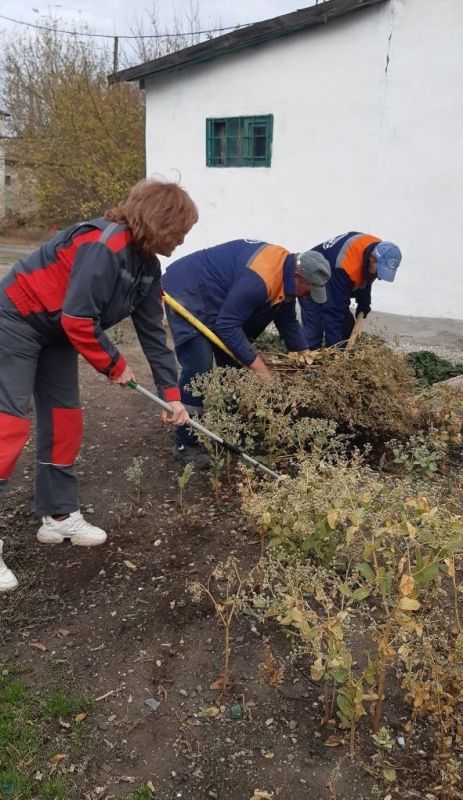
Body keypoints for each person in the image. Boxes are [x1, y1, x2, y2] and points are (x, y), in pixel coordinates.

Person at [0, 179, 197, 592]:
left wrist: (172, 396)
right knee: (8, 428)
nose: (182, 238)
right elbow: (78, 318)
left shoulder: (147, 266)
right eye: (179, 230)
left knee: (66, 420)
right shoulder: (104, 247)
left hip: (54, 331)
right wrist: (113, 364)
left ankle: (58, 518)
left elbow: (152, 334)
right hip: (17, 318)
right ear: (159, 222)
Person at [161, 238, 331, 467]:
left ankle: (223, 430)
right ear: (297, 276)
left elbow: (287, 320)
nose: (308, 296)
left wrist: (305, 356)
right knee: (198, 371)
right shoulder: (261, 279)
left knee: (233, 368)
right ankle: (185, 444)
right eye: (309, 290)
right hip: (188, 290)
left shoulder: (286, 277)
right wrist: (259, 368)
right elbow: (228, 325)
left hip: (219, 302)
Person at [299, 232, 402, 349]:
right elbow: (334, 312)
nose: (379, 277)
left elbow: (367, 275)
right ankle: (304, 362)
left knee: (346, 329)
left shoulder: (380, 249)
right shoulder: (345, 265)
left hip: (334, 279)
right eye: (379, 271)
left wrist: (364, 303)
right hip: (309, 279)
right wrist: (334, 353)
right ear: (372, 258)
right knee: (313, 333)